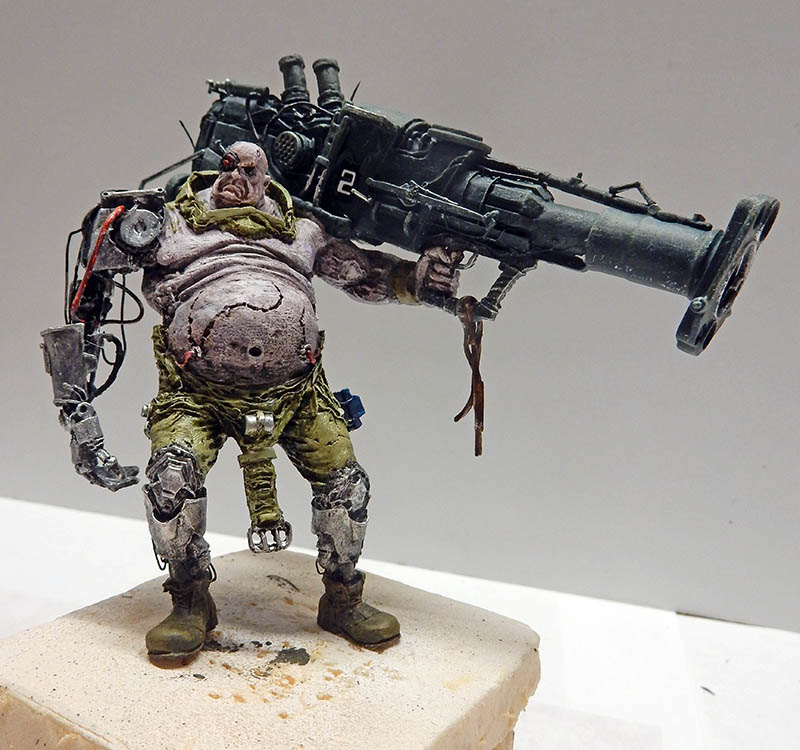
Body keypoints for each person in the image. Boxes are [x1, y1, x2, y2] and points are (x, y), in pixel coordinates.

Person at [136, 141, 460, 663]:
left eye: (249, 171)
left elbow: (364, 275)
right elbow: (95, 280)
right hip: (195, 394)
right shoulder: (168, 224)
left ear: (267, 181)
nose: (235, 177)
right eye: (228, 167)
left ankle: (343, 597)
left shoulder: (301, 231)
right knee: (171, 478)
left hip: (297, 392)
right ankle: (190, 599)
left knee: (346, 483)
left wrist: (419, 279)